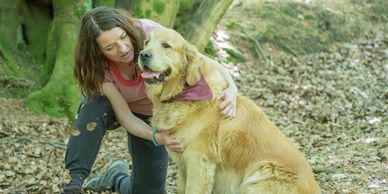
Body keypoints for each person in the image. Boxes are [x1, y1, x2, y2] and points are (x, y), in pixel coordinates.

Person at [62, 6, 238, 194]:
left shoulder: (151, 33)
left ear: (127, 29)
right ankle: (72, 184)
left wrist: (232, 89)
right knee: (93, 105)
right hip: (116, 108)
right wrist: (157, 137)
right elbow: (124, 116)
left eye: (122, 38)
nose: (122, 49)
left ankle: (115, 176)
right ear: (98, 52)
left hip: (151, 114)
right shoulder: (97, 68)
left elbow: (200, 59)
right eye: (109, 47)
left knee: (147, 191)